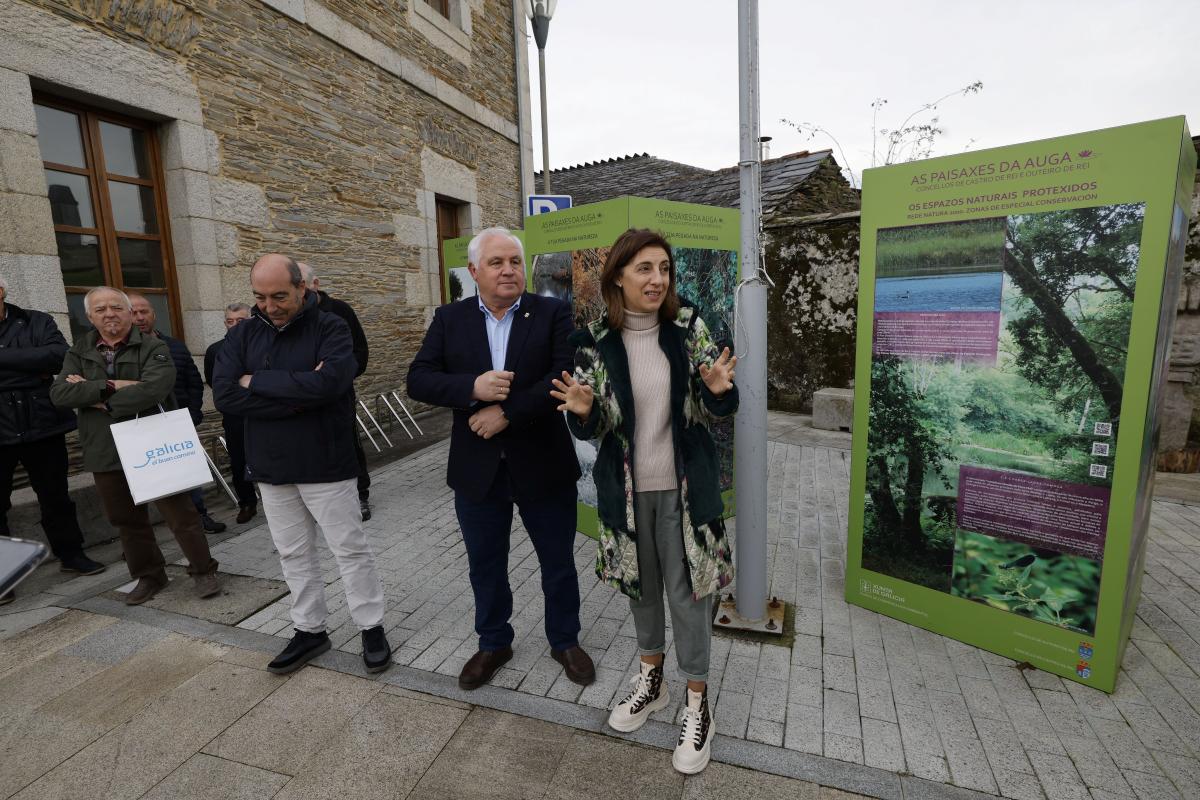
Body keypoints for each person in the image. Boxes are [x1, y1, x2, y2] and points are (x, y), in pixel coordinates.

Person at [551, 228, 738, 775]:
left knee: (688, 596)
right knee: (642, 591)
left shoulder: (688, 328)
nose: (657, 280)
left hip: (686, 490)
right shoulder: (592, 340)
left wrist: (718, 391)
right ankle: (651, 680)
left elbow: (713, 404)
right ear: (618, 278)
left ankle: (698, 702)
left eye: (664, 269)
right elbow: (594, 427)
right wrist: (583, 411)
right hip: (626, 493)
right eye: (644, 269)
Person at [407, 226, 595, 690]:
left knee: (558, 561)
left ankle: (564, 639)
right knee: (485, 564)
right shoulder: (450, 319)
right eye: (497, 262)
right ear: (474, 271)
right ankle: (494, 642)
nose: (508, 269)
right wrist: (471, 388)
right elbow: (419, 379)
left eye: (515, 261)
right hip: (478, 469)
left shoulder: (551, 312)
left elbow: (562, 375)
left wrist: (506, 413)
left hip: (542, 462)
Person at [213, 254, 391, 675]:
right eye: (260, 296)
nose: (269, 306)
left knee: (349, 549)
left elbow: (331, 384)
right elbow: (224, 395)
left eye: (279, 296)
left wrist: (255, 382)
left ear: (302, 289)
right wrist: (298, 399)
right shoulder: (242, 336)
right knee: (293, 553)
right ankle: (310, 629)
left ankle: (371, 626)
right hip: (271, 466)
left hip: (326, 461)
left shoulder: (331, 326)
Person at [50, 286, 220, 605]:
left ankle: (203, 570)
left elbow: (154, 389)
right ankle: (150, 575)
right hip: (105, 447)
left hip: (152, 444)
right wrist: (114, 385)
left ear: (129, 312)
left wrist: (95, 396)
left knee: (180, 515)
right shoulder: (78, 351)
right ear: (89, 316)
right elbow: (60, 395)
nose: (109, 313)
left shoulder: (154, 346)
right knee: (126, 520)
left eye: (116, 307)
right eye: (100, 309)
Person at [0, 275, 105, 605]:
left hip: (43, 424)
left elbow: (58, 356)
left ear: (2, 291)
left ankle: (71, 555)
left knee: (55, 496)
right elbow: (40, 362)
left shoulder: (36, 320)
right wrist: (31, 367)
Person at [128, 292, 226, 534]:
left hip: (178, 422)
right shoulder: (122, 352)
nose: (140, 317)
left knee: (189, 475)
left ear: (153, 314)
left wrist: (193, 414)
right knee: (145, 481)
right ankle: (142, 537)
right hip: (140, 427)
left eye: (144, 312)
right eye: (133, 312)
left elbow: (194, 382)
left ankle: (199, 517)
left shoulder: (175, 346)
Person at [297, 262, 372, 521]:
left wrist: (335, 376)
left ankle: (360, 495)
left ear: (315, 284)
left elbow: (360, 354)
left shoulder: (340, 311)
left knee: (347, 441)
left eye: (302, 286)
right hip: (300, 395)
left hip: (338, 394)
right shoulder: (290, 315)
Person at [204, 303, 257, 524]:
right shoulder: (215, 350)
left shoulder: (263, 345)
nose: (234, 326)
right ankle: (247, 502)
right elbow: (214, 383)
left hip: (263, 412)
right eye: (230, 321)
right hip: (235, 415)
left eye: (241, 321)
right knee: (238, 460)